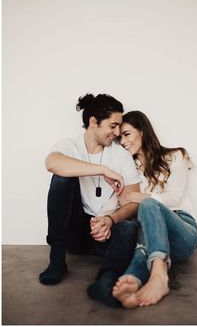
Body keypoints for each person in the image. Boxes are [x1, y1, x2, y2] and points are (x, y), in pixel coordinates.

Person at [39, 94, 140, 307]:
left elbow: (133, 201)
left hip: (107, 232)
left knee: (130, 227)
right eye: (112, 126)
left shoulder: (121, 155)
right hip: (76, 233)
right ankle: (57, 260)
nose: (117, 133)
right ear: (93, 122)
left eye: (119, 127)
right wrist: (102, 170)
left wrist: (110, 220)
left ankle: (105, 281)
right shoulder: (70, 145)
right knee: (61, 179)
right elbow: (52, 163)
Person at [112, 111, 197, 308]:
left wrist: (138, 196)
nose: (123, 142)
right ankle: (132, 281)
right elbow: (125, 206)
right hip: (151, 235)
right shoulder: (128, 171)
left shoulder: (175, 156)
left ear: (142, 131)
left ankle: (159, 277)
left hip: (183, 231)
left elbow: (174, 197)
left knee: (149, 205)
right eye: (119, 138)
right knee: (143, 242)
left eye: (126, 134)